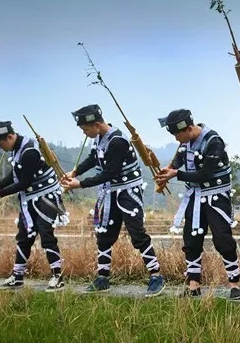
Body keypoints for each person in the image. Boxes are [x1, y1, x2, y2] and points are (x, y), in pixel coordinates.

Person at [62, 104, 165, 296]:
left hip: (128, 192)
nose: (85, 133)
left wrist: (80, 184)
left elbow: (110, 172)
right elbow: (93, 158)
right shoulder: (99, 138)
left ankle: (156, 276)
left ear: (97, 125)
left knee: (137, 234)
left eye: (85, 129)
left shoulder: (118, 141)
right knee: (104, 234)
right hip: (110, 192)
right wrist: (74, 172)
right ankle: (103, 278)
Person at [155, 109, 240, 300]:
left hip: (216, 196)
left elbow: (205, 174)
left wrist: (176, 174)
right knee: (191, 240)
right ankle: (193, 285)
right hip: (195, 196)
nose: (177, 139)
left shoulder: (213, 142)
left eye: (178, 135)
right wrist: (168, 170)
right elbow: (178, 161)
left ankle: (234, 285)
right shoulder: (185, 143)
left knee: (223, 239)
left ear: (188, 128)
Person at [0, 120, 69, 292]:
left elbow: (23, 182)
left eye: (1, 144)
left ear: (9, 137)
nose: (1, 148)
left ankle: (57, 276)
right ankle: (18, 275)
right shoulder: (16, 149)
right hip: (29, 198)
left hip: (46, 197)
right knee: (24, 235)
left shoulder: (29, 151)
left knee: (46, 234)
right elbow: (15, 174)